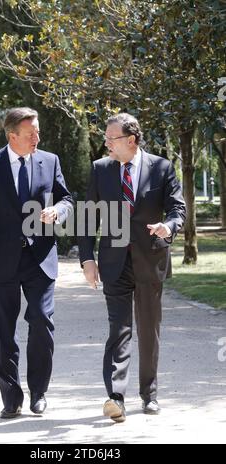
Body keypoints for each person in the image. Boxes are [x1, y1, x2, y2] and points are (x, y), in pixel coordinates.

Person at [0, 107, 73, 419]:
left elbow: (67, 199)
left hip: (40, 258)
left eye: (37, 132)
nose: (37, 137)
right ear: (12, 136)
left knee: (41, 320)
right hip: (0, 260)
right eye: (30, 134)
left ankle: (39, 392)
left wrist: (58, 213)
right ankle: (11, 397)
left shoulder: (50, 161)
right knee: (3, 332)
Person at [78, 113, 186, 423]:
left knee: (148, 329)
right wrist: (87, 260)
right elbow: (87, 218)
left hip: (151, 259)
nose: (106, 143)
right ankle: (115, 397)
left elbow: (178, 208)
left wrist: (169, 225)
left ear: (131, 140)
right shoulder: (101, 170)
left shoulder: (161, 168)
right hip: (114, 263)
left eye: (111, 138)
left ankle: (149, 394)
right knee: (119, 330)